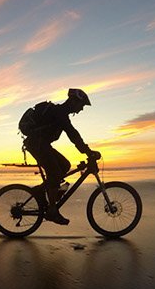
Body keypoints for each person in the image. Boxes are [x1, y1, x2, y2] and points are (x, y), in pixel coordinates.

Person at [22, 88, 100, 225]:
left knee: (65, 165)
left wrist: (86, 150)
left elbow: (72, 134)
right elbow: (72, 134)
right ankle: (52, 210)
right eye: (81, 105)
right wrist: (87, 151)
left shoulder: (61, 113)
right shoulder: (59, 112)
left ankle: (40, 191)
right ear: (74, 101)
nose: (81, 109)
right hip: (37, 144)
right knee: (55, 172)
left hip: (42, 144)